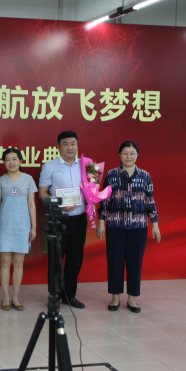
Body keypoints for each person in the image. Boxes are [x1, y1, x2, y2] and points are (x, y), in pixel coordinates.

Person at [96, 141, 161, 313]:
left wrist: (155, 223)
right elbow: (105, 200)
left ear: (137, 155)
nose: (128, 156)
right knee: (115, 261)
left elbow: (150, 201)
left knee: (135, 262)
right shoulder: (112, 174)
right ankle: (115, 297)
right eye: (125, 153)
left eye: (132, 153)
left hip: (138, 225)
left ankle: (132, 298)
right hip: (115, 224)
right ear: (119, 155)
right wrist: (101, 222)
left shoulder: (145, 176)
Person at [38, 131, 87, 309]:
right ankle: (54, 296)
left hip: (80, 220)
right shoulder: (49, 166)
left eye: (73, 143)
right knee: (55, 261)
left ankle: (69, 296)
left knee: (75, 260)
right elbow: (42, 194)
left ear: (77, 145)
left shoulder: (86, 166)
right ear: (58, 147)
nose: (70, 147)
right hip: (59, 220)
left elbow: (91, 190)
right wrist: (58, 204)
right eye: (65, 144)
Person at [0, 148, 37, 311]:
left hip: (22, 226)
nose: (11, 162)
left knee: (18, 263)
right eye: (7, 160)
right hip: (4, 226)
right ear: (4, 162)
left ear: (20, 161)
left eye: (14, 159)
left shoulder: (28, 179)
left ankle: (15, 297)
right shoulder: (0, 181)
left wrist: (33, 226)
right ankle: (5, 297)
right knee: (5, 262)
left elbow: (31, 205)